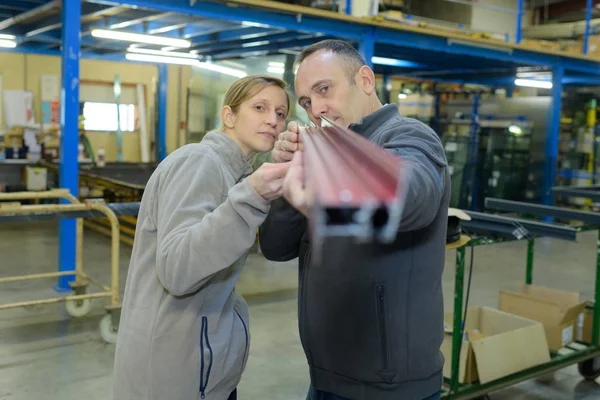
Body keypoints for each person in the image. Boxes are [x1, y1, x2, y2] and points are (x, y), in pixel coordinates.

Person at [259, 40, 450, 400]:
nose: (316, 109)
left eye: (324, 89)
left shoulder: (408, 136)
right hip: (327, 376)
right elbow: (275, 247)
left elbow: (412, 198)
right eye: (306, 102)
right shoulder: (327, 148)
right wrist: (289, 173)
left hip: (388, 387)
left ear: (364, 80)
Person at [112, 75, 292, 400]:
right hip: (175, 368)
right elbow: (177, 270)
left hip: (195, 361)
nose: (273, 120)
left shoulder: (231, 172)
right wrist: (250, 198)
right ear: (229, 116)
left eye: (281, 113)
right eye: (259, 107)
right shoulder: (201, 162)